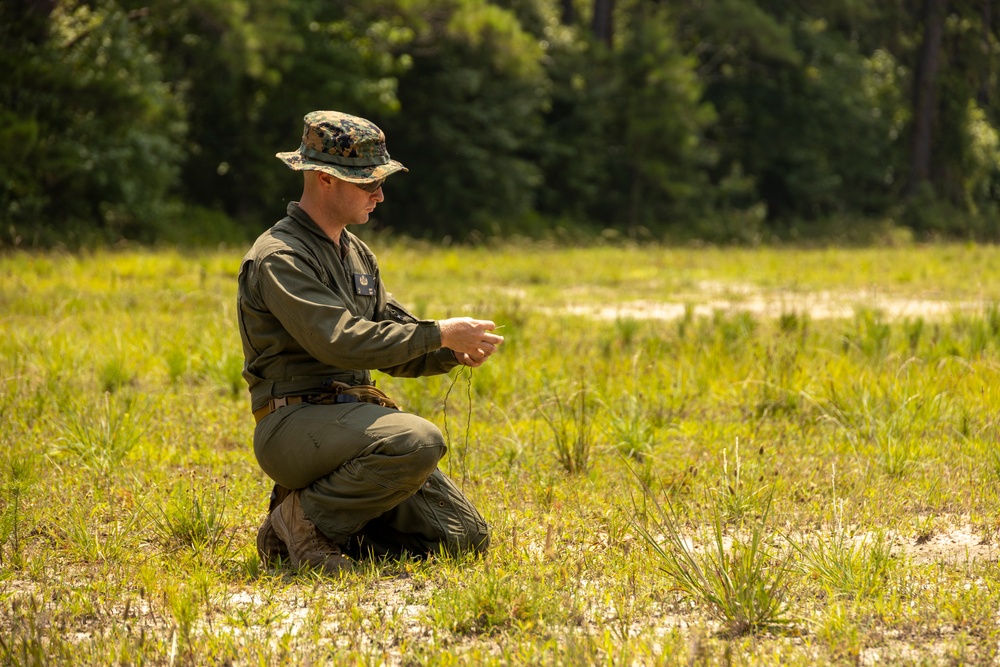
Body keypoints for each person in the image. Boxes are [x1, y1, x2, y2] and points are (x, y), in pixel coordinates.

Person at [237, 110, 504, 573]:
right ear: (323, 179)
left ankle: (305, 521)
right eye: (367, 183)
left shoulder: (356, 253)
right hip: (294, 423)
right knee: (417, 441)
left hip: (351, 421)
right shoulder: (279, 256)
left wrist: (449, 350)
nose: (380, 195)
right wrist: (440, 331)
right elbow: (341, 342)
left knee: (462, 537)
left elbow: (393, 337)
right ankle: (304, 524)